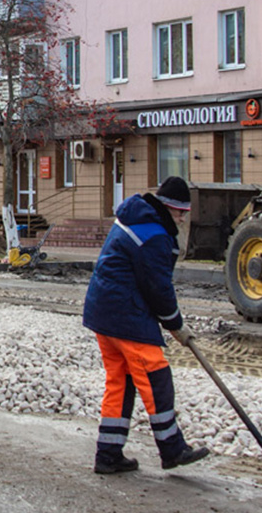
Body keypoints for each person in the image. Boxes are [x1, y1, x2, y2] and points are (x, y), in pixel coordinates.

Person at [82, 176, 209, 475]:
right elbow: (158, 287)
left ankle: (109, 454)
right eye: (180, 212)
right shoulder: (153, 234)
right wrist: (175, 324)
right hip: (126, 316)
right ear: (169, 207)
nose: (182, 218)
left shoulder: (137, 218)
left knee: (121, 381)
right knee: (156, 377)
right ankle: (172, 448)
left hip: (104, 313)